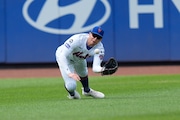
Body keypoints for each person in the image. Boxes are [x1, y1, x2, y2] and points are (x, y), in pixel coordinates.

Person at [55, 26, 106, 99]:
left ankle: (87, 91)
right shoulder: (77, 39)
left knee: (83, 73)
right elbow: (63, 55)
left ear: (101, 39)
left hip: (79, 59)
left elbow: (95, 68)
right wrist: (69, 73)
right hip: (65, 57)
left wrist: (103, 69)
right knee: (71, 86)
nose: (95, 39)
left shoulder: (100, 48)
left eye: (98, 38)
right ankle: (72, 94)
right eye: (94, 36)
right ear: (89, 34)